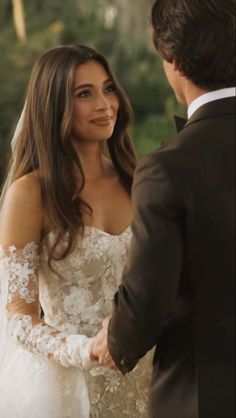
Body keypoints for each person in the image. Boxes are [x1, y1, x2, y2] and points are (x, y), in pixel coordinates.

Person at [92, 1, 236, 417]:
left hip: (205, 393)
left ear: (173, 63)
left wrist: (115, 341)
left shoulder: (167, 167)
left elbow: (148, 296)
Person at [0, 44, 152, 418]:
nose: (105, 104)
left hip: (147, 376)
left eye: (108, 88)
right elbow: (19, 315)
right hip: (71, 385)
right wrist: (83, 351)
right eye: (85, 94)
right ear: (53, 105)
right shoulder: (30, 193)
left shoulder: (138, 179)